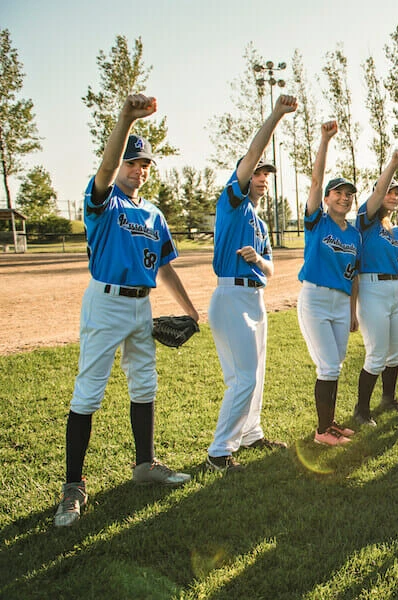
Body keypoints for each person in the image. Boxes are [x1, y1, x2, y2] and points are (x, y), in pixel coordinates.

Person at [55, 94, 200, 527]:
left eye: (145, 165)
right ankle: (72, 486)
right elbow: (103, 170)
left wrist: (191, 312)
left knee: (144, 383)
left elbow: (166, 266)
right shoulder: (104, 202)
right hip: (105, 303)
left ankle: (144, 464)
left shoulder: (153, 214)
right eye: (132, 163)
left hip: (142, 305)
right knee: (89, 392)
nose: (138, 170)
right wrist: (125, 118)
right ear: (120, 165)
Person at [205, 95, 297, 472]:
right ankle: (219, 451)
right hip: (230, 295)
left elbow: (272, 270)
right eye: (257, 172)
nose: (262, 178)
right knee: (242, 376)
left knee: (255, 374)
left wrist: (259, 259)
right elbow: (253, 150)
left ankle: (251, 434)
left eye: (265, 175)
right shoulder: (233, 203)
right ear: (244, 175)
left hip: (255, 297)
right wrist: (276, 114)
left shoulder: (259, 222)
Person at [297, 121, 362, 446]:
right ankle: (323, 432)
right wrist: (324, 139)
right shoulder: (316, 222)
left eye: (349, 194)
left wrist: (352, 312)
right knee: (327, 364)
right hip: (316, 299)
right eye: (338, 193)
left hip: (340, 302)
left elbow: (353, 277)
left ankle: (330, 423)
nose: (344, 197)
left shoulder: (354, 234)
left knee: (334, 364)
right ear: (326, 198)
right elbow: (316, 179)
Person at [353, 149, 398, 426]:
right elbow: (377, 193)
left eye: (397, 193)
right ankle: (361, 410)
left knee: (394, 352)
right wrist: (394, 163)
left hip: (396, 293)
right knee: (376, 353)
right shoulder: (365, 223)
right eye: (389, 191)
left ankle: (388, 399)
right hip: (372, 288)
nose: (393, 196)